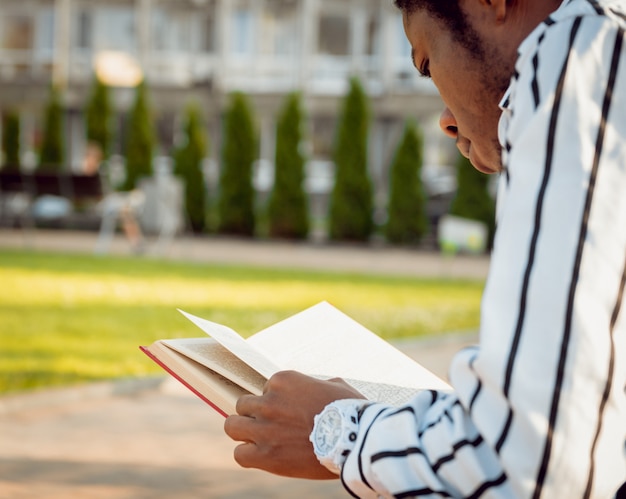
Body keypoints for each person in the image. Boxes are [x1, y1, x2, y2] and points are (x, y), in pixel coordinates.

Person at [224, 0, 626, 496]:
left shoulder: (582, 57)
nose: (444, 119)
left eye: (428, 63)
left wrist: (339, 430)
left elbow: (528, 463)